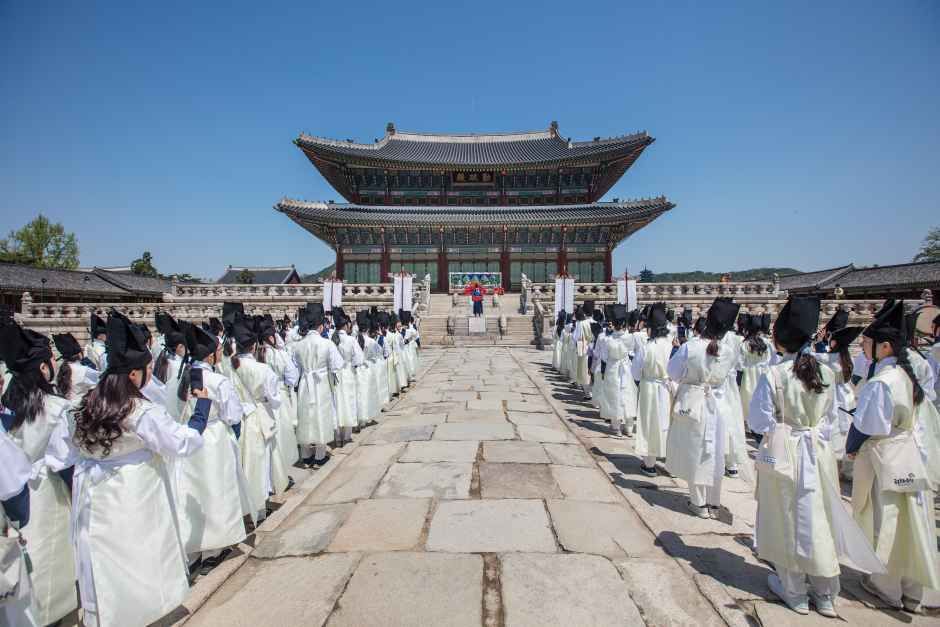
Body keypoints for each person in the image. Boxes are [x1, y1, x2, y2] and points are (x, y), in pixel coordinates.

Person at [68, 311, 210, 627]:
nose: (149, 372)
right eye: (146, 369)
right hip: (134, 491)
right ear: (134, 374)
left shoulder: (86, 405)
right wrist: (201, 412)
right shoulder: (140, 411)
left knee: (107, 559)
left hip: (96, 492)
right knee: (139, 553)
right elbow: (180, 443)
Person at [749, 296, 882, 617]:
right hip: (818, 453)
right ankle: (824, 593)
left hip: (786, 450)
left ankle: (793, 590)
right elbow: (833, 422)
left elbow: (758, 421)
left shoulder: (774, 375)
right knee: (820, 516)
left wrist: (785, 427)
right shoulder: (826, 371)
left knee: (786, 515)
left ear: (779, 340)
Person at [846, 300, 940, 613]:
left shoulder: (881, 383)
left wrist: (851, 446)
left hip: (883, 454)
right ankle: (915, 591)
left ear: (884, 347)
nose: (864, 348)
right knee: (913, 522)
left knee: (884, 518)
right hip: (909, 454)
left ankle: (885, 584)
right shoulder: (908, 377)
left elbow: (867, 425)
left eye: (867, 344)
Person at [0, 322, 78, 626]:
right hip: (46, 489)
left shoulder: (9, 404)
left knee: (24, 556)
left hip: (15, 491)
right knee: (51, 557)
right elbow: (65, 461)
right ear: (44, 368)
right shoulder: (58, 408)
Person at [173, 320, 249, 570]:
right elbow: (233, 414)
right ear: (211, 355)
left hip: (187, 437)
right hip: (213, 437)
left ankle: (193, 548)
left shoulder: (181, 379)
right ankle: (216, 546)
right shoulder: (217, 381)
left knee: (192, 491)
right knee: (217, 489)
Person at [666, 298, 742, 518]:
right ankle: (713, 501)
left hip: (694, 400)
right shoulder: (728, 351)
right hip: (718, 403)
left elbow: (673, 372)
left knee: (696, 452)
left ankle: (698, 502)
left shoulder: (691, 347)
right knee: (715, 451)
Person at [291, 303, 343, 466]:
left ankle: (306, 453)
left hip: (305, 383)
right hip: (320, 383)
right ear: (321, 326)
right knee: (321, 414)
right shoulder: (327, 344)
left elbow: (295, 369)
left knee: (306, 415)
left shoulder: (297, 345)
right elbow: (337, 365)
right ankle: (320, 454)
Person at [632, 303, 674, 476]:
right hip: (668, 386)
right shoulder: (673, 346)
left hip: (649, 386)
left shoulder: (647, 347)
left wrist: (640, 381)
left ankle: (649, 464)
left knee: (649, 422)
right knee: (668, 423)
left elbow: (635, 371)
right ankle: (671, 462)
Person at [260, 316, 301, 474]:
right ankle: (281, 472)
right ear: (271, 338)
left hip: (260, 401)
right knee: (281, 435)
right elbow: (292, 377)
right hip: (279, 395)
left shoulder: (257, 355)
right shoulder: (279, 355)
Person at [597, 305, 638, 438]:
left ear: (613, 324)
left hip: (613, 368)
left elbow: (603, 357)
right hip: (626, 367)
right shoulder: (630, 338)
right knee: (628, 394)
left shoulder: (607, 340)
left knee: (614, 395)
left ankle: (616, 426)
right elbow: (632, 352)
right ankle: (629, 427)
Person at [332, 311, 360, 447]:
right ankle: (347, 436)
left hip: (335, 374)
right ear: (346, 325)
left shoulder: (331, 340)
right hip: (347, 372)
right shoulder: (351, 340)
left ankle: (337, 437)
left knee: (337, 403)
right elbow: (359, 358)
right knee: (348, 402)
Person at [152, 315, 188, 420]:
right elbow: (173, 399)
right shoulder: (178, 368)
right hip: (173, 417)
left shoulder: (164, 361)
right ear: (180, 347)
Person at [53, 332, 100, 404]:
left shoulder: (61, 369)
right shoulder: (83, 370)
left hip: (66, 406)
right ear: (79, 354)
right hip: (80, 407)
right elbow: (101, 380)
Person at [573, 305, 595, 400]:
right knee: (591, 370)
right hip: (592, 347)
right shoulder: (593, 322)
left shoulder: (580, 324)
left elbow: (576, 337)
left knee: (584, 371)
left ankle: (587, 393)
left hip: (583, 348)